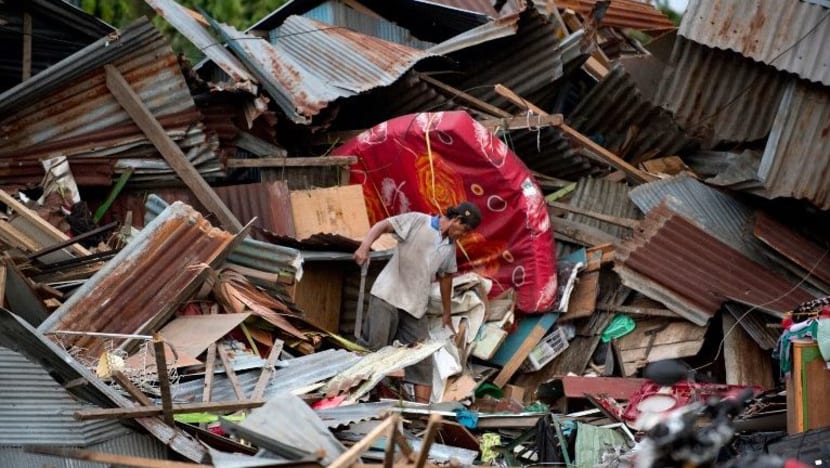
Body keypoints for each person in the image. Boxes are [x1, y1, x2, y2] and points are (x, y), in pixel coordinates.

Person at [353, 201, 482, 403]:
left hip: (415, 307)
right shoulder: (417, 221)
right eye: (464, 230)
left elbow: (446, 277)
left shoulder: (449, 247)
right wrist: (364, 247)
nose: (462, 235)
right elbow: (382, 225)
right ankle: (361, 400)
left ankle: (421, 415)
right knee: (374, 352)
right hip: (388, 295)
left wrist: (447, 313)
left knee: (422, 359)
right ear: (456, 220)